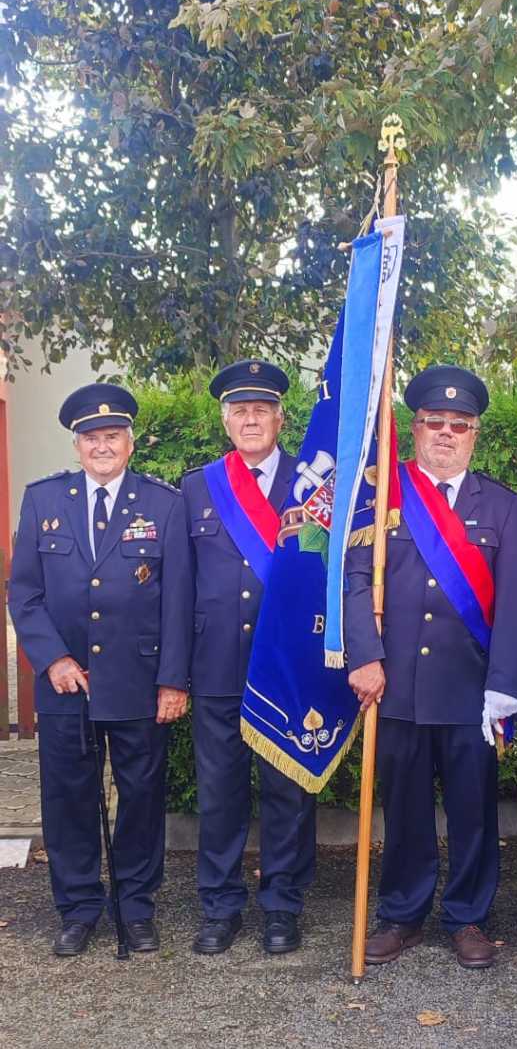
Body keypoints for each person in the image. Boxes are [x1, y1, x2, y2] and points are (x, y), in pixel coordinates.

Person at [345, 364, 517, 969]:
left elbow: (516, 604)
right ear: (415, 427)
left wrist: (503, 687)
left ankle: (469, 916)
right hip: (394, 685)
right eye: (434, 422)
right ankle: (402, 913)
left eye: (459, 424)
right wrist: (365, 656)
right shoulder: (381, 495)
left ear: (475, 434)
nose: (446, 433)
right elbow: (352, 581)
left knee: (474, 809)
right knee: (403, 809)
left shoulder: (501, 506)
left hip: (469, 691)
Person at [9, 383, 191, 956]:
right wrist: (53, 659)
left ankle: (136, 907)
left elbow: (178, 601)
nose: (102, 446)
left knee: (141, 798)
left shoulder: (163, 504)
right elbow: (24, 594)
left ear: (130, 442)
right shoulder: (43, 500)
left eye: (112, 435)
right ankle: (79, 907)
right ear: (77, 446)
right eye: (91, 438)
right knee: (68, 798)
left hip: (139, 681)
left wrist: (173, 679)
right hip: (66, 683)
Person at [181, 360, 316, 955]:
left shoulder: (311, 483)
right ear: (225, 421)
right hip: (216, 663)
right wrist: (176, 672)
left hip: (286, 665)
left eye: (262, 410)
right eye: (241, 411)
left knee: (288, 789)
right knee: (220, 792)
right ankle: (220, 905)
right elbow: (181, 585)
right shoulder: (198, 486)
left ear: (281, 418)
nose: (251, 419)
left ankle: (282, 904)